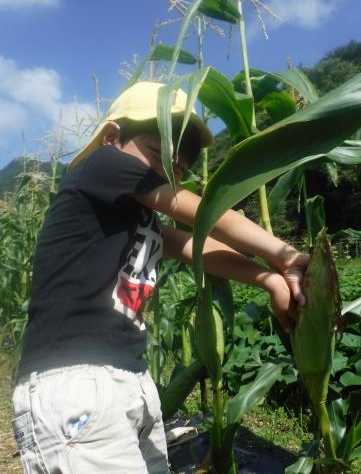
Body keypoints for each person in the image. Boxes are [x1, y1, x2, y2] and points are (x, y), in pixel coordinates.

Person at [12, 81, 309, 474]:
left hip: (126, 377)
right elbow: (206, 213)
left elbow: (196, 246)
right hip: (75, 381)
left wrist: (267, 279)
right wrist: (285, 255)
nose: (167, 173)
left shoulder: (135, 215)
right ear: (112, 137)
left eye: (178, 169)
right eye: (157, 154)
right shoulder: (99, 165)